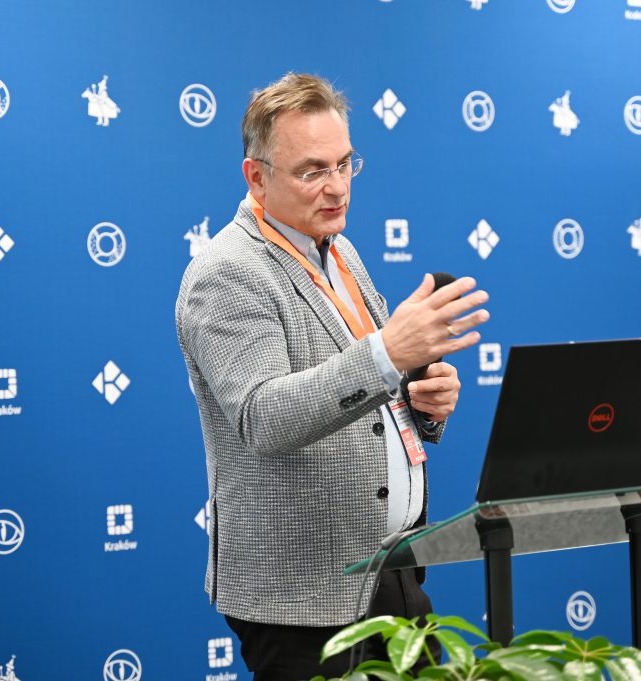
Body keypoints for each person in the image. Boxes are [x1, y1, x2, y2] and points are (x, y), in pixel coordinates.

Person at [175, 73, 489, 680]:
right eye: (312, 171)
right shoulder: (226, 272)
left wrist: (421, 399)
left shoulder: (338, 250)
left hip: (390, 571)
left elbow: (366, 392)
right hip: (303, 597)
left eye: (345, 164)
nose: (338, 186)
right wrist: (387, 353)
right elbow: (264, 417)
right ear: (256, 177)